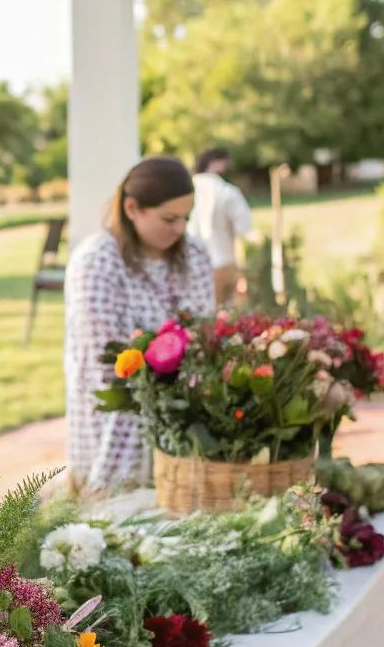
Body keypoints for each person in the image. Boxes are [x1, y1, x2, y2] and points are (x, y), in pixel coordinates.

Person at [65, 155, 214, 490]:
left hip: (186, 417)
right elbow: (105, 364)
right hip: (118, 419)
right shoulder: (97, 262)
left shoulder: (195, 255)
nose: (179, 229)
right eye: (169, 218)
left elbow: (205, 334)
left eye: (185, 218)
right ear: (132, 209)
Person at [188, 147, 253, 305]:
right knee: (224, 316)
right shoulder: (227, 191)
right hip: (222, 261)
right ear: (217, 164)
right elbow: (244, 229)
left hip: (189, 264)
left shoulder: (184, 190)